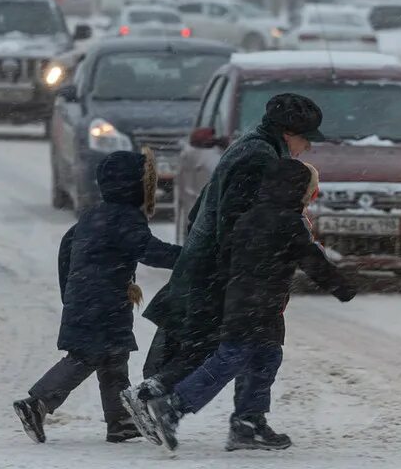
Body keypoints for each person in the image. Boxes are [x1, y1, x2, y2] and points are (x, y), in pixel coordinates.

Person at [124, 93, 325, 439]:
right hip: (226, 270)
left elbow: (206, 204)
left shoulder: (251, 146)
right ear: (289, 133)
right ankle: (154, 398)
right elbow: (236, 220)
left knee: (247, 346)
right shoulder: (259, 159)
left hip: (217, 264)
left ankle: (245, 421)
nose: (306, 149)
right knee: (223, 347)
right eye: (306, 140)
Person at [143, 159, 355, 451]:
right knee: (229, 360)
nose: (312, 195)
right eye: (312, 189)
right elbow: (312, 261)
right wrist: (343, 287)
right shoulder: (289, 223)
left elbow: (227, 255)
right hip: (257, 306)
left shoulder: (249, 216)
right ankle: (174, 407)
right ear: (298, 190)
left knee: (266, 358)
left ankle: (248, 423)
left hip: (247, 303)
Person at [13, 149, 181, 444]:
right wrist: (190, 258)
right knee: (86, 356)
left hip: (93, 299)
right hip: (102, 303)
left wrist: (71, 292)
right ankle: (37, 402)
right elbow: (149, 250)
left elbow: (66, 249)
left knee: (114, 357)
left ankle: (120, 422)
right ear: (134, 186)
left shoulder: (93, 214)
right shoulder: (125, 218)